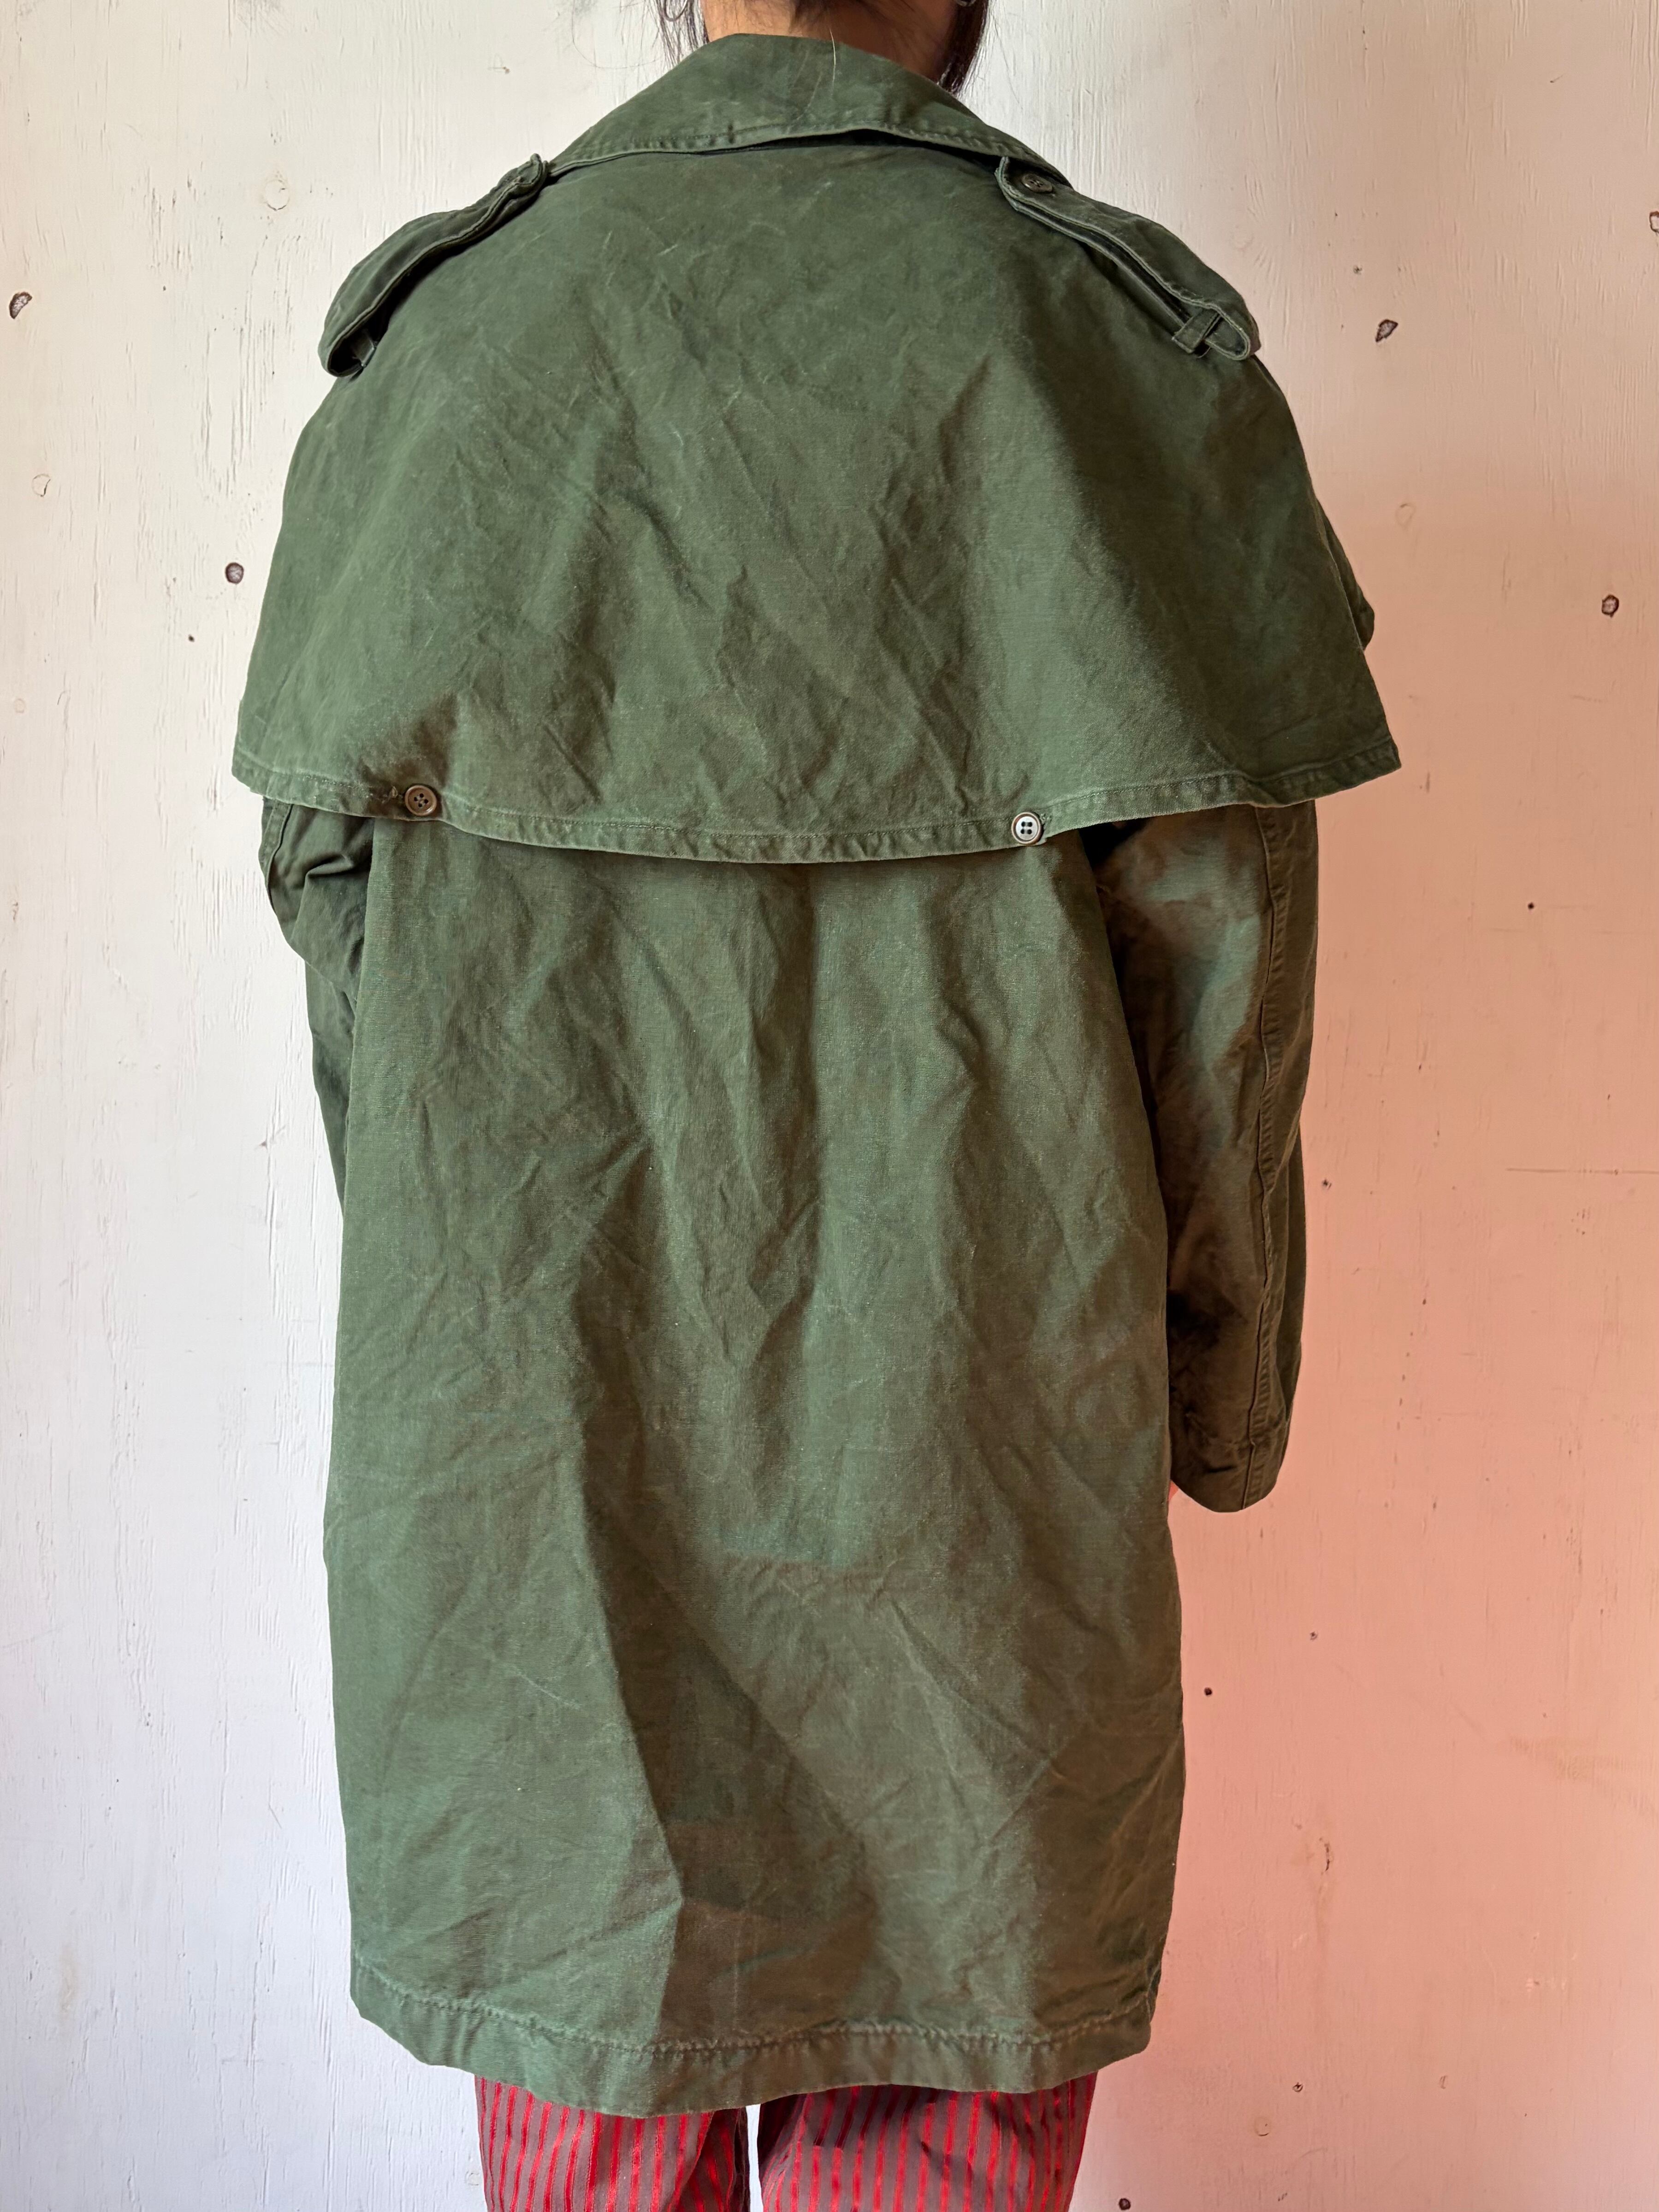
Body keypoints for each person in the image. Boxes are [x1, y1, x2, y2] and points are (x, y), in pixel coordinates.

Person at [237, 1, 1397, 2206]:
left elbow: (347, 970)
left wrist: (465, 1401)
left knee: (600, 2093)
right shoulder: (1105, 353)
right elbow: (1228, 990)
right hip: (986, 1541)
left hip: (544, 1553)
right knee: (956, 2069)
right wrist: (1218, 1403)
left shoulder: (444, 360)